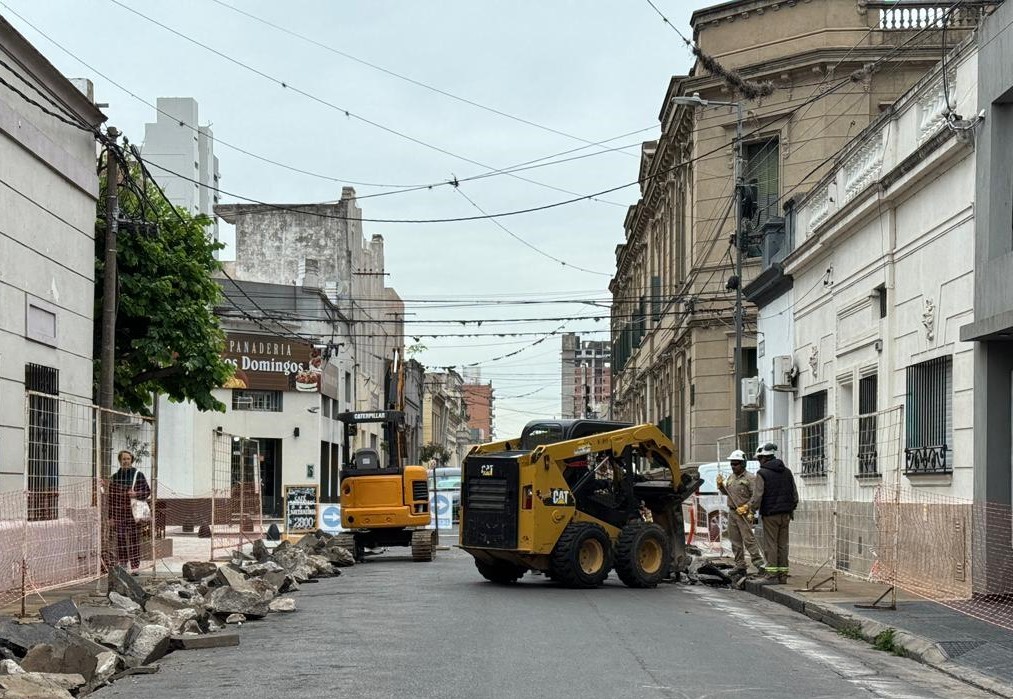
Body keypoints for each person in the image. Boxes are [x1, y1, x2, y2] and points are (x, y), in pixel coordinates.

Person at [749, 442, 798, 584]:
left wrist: (751, 510)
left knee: (771, 544)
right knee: (783, 545)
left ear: (764, 458)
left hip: (770, 514)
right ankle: (783, 575)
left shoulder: (762, 473)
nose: (759, 462)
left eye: (759, 459)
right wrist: (790, 509)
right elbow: (794, 495)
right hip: (786, 514)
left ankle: (771, 575)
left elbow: (758, 496)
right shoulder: (787, 471)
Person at [716, 450, 765, 576]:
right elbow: (728, 493)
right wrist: (721, 486)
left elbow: (755, 496)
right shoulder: (731, 478)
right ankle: (740, 565)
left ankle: (759, 564)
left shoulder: (750, 478)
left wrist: (748, 508)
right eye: (732, 464)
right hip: (732, 512)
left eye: (736, 464)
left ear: (743, 464)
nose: (733, 466)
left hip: (744, 513)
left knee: (748, 540)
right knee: (735, 541)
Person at [109, 450, 150, 575]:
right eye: (123, 459)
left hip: (134, 513)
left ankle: (135, 566)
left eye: (128, 459)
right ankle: (123, 563)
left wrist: (136, 494)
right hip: (119, 513)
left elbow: (147, 491)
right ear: (120, 461)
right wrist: (110, 517)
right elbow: (111, 498)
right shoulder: (115, 477)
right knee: (120, 537)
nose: (126, 461)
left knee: (134, 538)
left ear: (131, 460)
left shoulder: (138, 475)